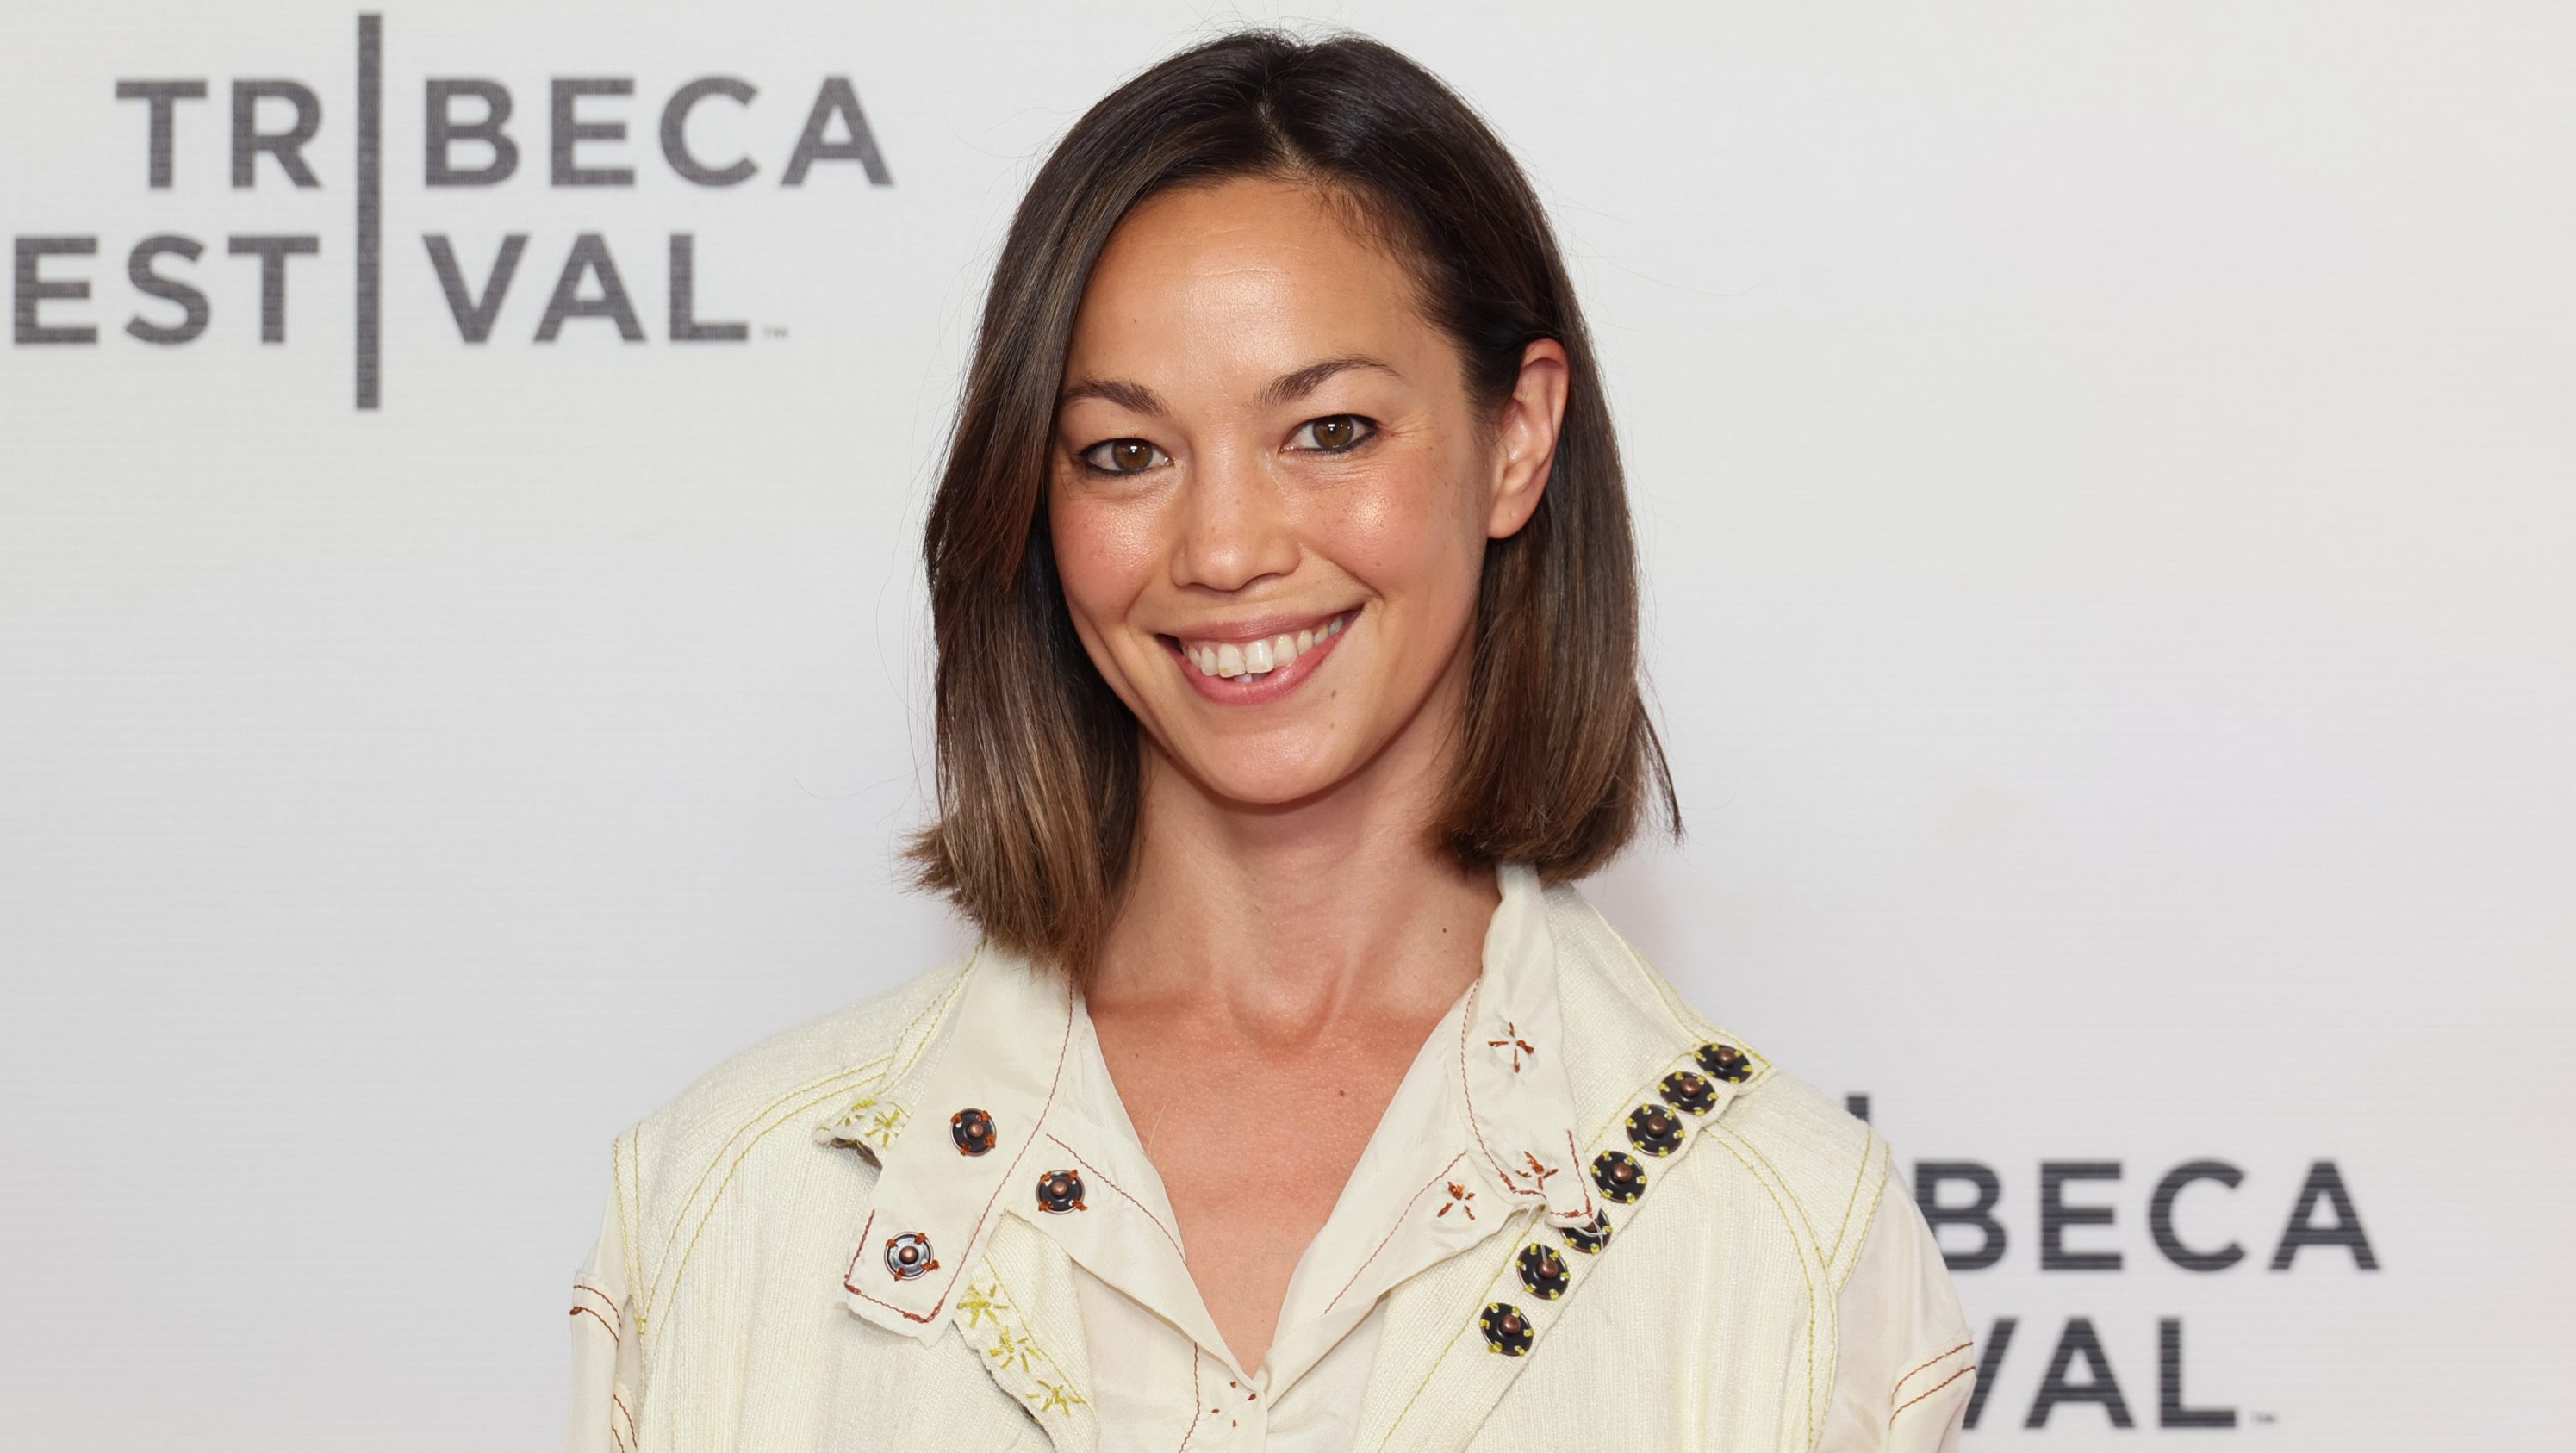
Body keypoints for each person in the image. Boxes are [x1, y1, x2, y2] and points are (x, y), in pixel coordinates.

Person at [566, 27, 1975, 1453]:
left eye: (1330, 429)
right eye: (1124, 453)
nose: (1226, 549)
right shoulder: (730, 1203)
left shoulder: (1788, 1238)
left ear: (1517, 439)